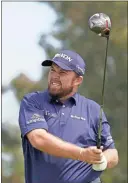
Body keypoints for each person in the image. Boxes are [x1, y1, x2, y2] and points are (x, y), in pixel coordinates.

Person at [19, 50, 118, 183]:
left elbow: (112, 153)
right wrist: (82, 154)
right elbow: (38, 139)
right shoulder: (33, 101)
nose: (54, 76)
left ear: (78, 80)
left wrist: (102, 160)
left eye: (62, 72)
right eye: (53, 70)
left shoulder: (93, 109)